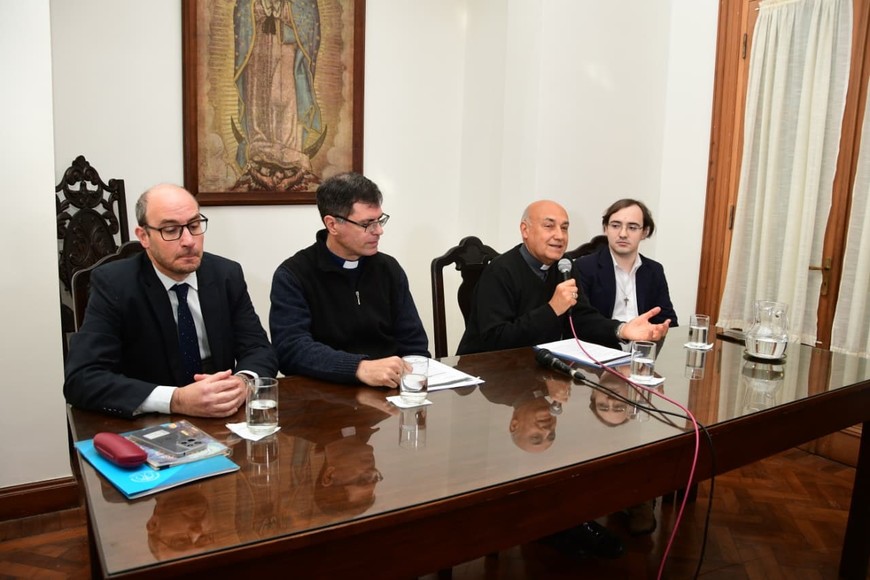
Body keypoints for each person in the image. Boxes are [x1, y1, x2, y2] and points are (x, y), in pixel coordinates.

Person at [64, 184, 278, 419]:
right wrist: (175, 400)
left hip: (222, 415)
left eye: (194, 226)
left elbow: (258, 348)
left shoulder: (226, 274)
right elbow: (82, 378)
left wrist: (243, 382)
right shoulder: (114, 284)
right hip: (151, 420)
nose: (188, 241)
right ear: (144, 236)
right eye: (171, 230)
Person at [270, 172, 429, 387]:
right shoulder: (294, 274)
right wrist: (358, 368)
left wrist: (413, 384)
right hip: (323, 392)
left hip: (391, 390)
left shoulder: (388, 269)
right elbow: (291, 349)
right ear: (332, 225)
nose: (379, 231)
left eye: (379, 220)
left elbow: (414, 344)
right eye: (367, 224)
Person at [457, 200, 671, 356]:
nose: (559, 236)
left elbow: (581, 318)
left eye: (564, 228)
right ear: (525, 230)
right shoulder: (500, 271)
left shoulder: (564, 266)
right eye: (549, 226)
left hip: (539, 368)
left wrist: (621, 329)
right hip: (488, 377)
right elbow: (495, 339)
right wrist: (552, 309)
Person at [575, 199, 678, 328]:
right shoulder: (584, 267)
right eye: (615, 226)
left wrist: (658, 331)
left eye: (632, 228)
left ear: (644, 232)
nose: (623, 234)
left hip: (644, 339)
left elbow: (668, 321)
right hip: (604, 339)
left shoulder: (654, 270)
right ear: (605, 228)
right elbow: (582, 321)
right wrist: (621, 330)